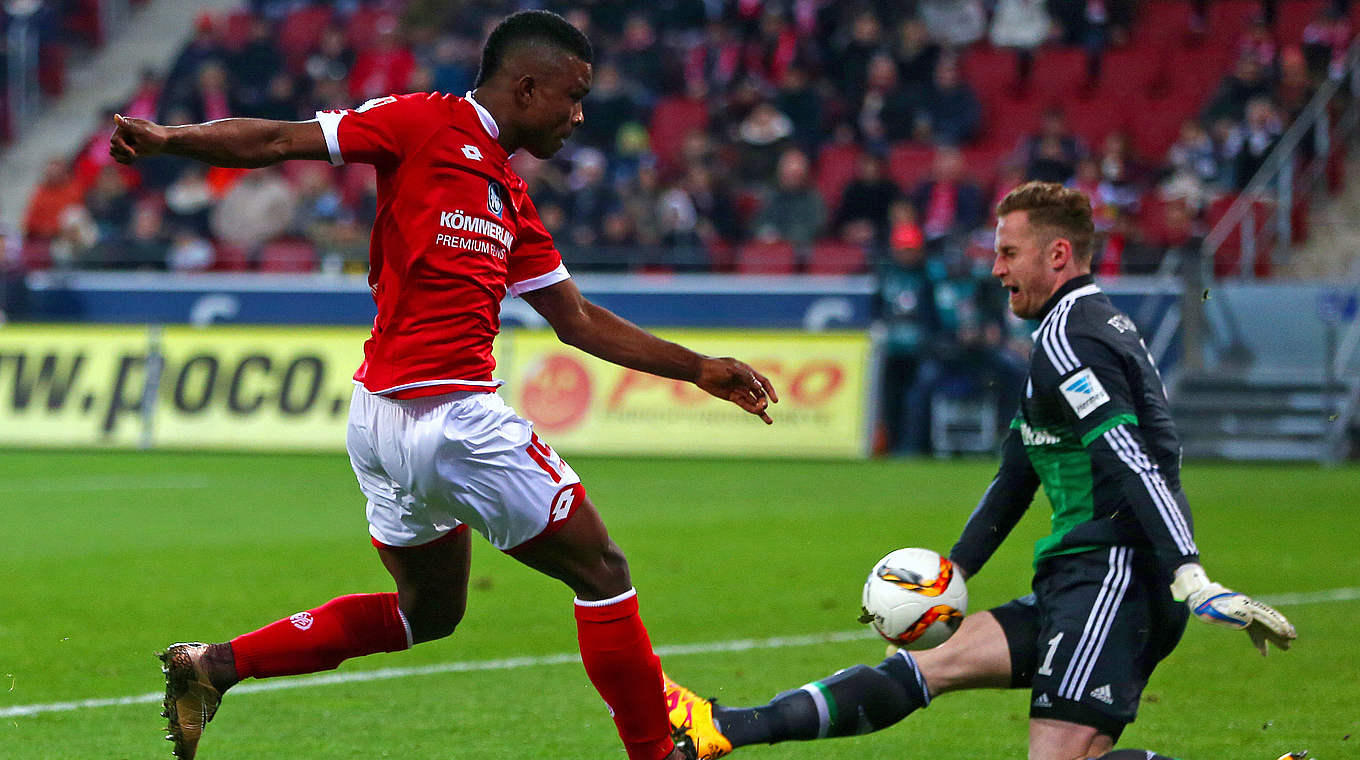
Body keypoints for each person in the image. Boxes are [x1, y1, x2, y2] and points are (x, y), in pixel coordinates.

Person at [109, 11, 777, 760]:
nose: (581, 114)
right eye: (573, 95)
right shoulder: (420, 122)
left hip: (382, 424)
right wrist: (171, 140)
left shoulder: (510, 198)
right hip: (451, 415)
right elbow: (278, 139)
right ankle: (657, 751)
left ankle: (214, 665)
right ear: (527, 87)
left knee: (428, 615)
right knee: (603, 570)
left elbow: (578, 320)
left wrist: (696, 368)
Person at [664, 182, 1296, 760]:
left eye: (1008, 253)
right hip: (1079, 575)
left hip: (1114, 577)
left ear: (1056, 255)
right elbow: (1018, 473)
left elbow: (1130, 453)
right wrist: (953, 574)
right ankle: (724, 726)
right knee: (925, 669)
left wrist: (1189, 572)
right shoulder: (1072, 329)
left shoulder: (1073, 337)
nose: (995, 270)